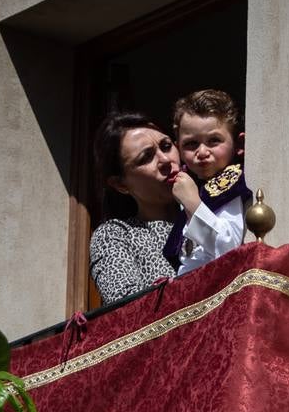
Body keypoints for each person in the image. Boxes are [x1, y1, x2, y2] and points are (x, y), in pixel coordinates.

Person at [89, 112, 183, 305]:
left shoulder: (214, 207)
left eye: (166, 146)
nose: (165, 160)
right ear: (120, 184)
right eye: (146, 157)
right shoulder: (115, 235)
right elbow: (129, 313)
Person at [167, 89, 252, 276]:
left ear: (239, 145)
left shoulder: (232, 183)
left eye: (214, 141)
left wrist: (193, 204)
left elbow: (228, 247)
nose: (202, 151)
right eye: (191, 144)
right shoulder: (196, 186)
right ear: (178, 148)